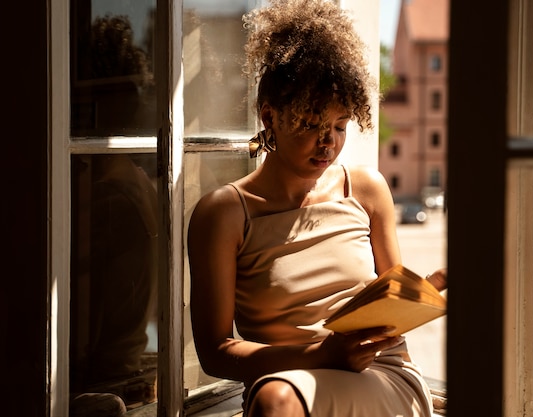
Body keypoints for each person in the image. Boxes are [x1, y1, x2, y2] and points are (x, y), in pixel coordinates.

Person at [187, 1, 447, 416]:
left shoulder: (365, 190)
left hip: (383, 375)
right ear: (269, 115)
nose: (327, 142)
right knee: (275, 399)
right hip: (288, 384)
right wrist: (319, 356)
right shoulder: (223, 214)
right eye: (310, 124)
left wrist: (419, 295)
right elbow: (216, 353)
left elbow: (393, 314)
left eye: (340, 126)